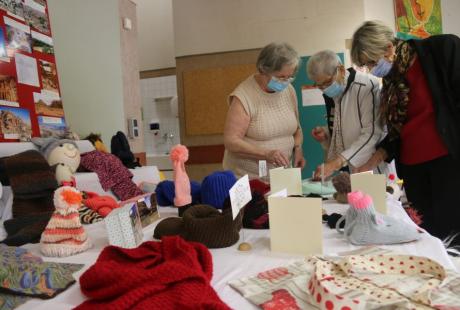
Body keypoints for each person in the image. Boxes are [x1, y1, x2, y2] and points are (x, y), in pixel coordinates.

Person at [350, 20, 460, 244]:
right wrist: (372, 162)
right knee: (425, 234)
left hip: (447, 163)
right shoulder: (391, 81)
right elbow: (396, 134)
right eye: (366, 65)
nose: (372, 70)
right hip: (413, 170)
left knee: (453, 233)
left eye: (371, 62)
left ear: (389, 48)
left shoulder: (442, 49)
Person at [223, 42, 305, 178]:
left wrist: (298, 148)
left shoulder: (289, 91)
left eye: (289, 77)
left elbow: (297, 129)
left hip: (282, 177)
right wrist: (266, 154)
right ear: (264, 70)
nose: (285, 82)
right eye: (280, 77)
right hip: (249, 179)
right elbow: (231, 141)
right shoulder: (244, 96)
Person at [306, 50, 384, 180]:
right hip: (350, 166)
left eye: (327, 83)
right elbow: (344, 125)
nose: (324, 89)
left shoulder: (366, 85)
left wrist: (337, 162)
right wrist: (326, 133)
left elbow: (372, 133)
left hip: (373, 166)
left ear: (341, 70)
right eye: (319, 86)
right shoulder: (331, 94)